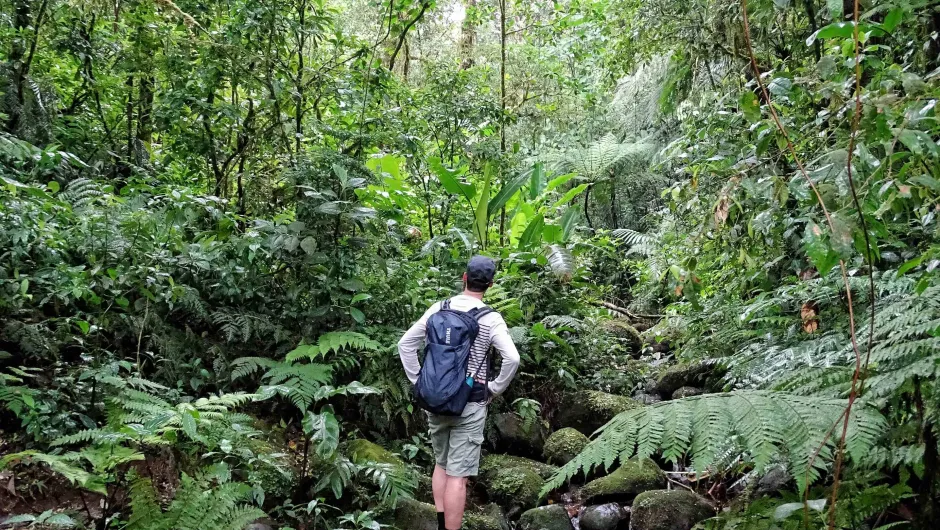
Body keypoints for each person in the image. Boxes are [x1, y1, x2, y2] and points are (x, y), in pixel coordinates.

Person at [398, 255, 520, 530]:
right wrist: (494, 388)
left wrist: (419, 381)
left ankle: (441, 523)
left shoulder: (438, 309)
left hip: (436, 399)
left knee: (441, 464)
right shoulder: (491, 318)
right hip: (471, 400)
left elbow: (405, 345)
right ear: (490, 284)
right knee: (458, 476)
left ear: (464, 278)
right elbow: (511, 359)